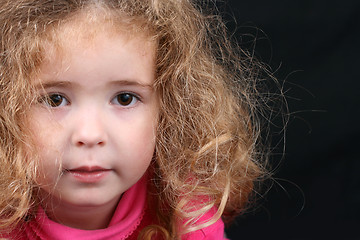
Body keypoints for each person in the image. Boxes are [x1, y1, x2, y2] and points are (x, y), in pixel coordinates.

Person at [0, 0, 271, 239]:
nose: (90, 134)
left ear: (171, 109)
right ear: (6, 108)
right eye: (55, 100)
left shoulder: (187, 214)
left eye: (125, 98)